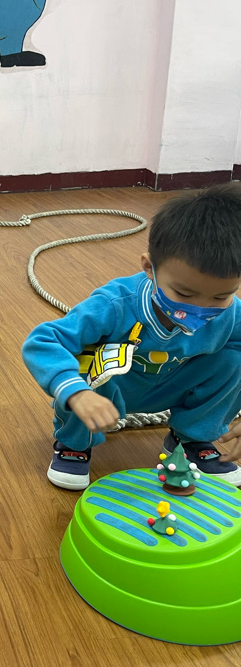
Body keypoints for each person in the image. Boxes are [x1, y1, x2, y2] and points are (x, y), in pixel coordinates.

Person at [22, 184, 241, 490]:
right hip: (111, 390)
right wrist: (77, 394)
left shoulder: (231, 313)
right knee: (81, 363)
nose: (200, 308)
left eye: (220, 296)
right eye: (184, 293)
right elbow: (43, 341)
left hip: (172, 385)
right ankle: (74, 443)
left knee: (235, 359)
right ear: (150, 267)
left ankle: (191, 439)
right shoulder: (115, 304)